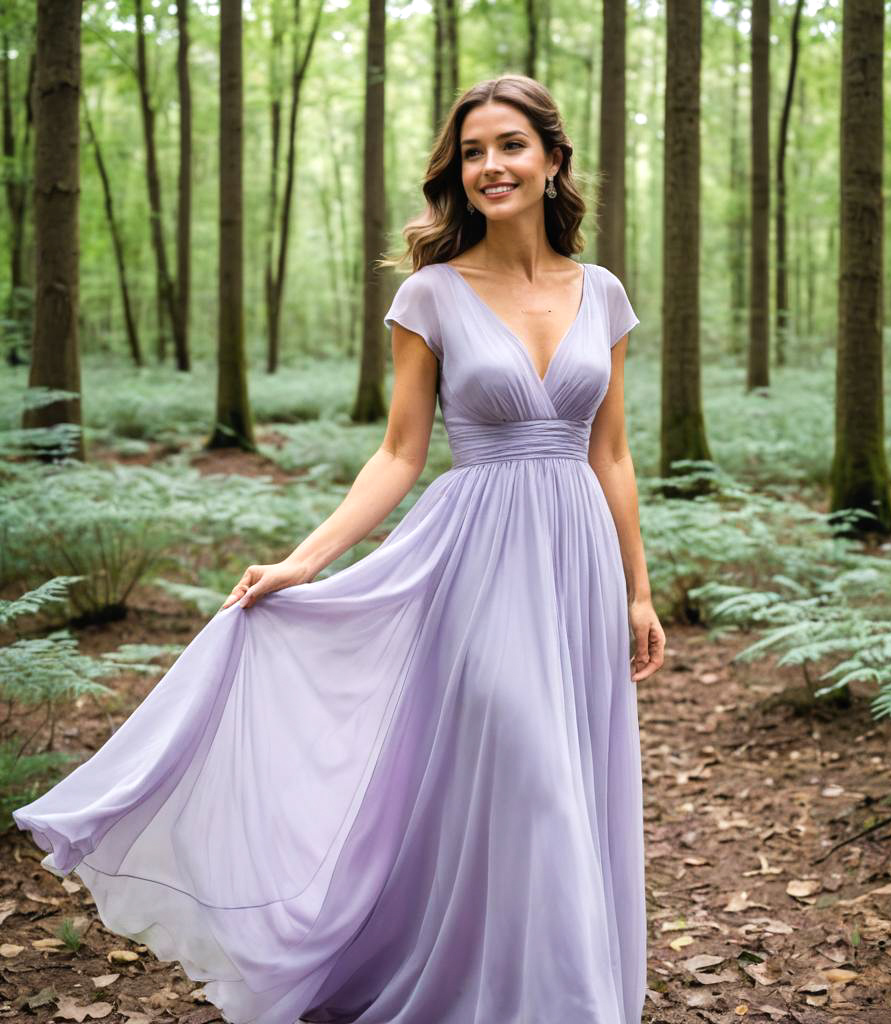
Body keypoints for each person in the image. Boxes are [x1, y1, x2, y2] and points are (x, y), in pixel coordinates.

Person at [13, 73, 665, 1024]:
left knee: (566, 769)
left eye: (512, 146)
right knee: (525, 764)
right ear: (457, 173)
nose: (492, 166)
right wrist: (304, 562)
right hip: (474, 561)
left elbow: (610, 452)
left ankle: (547, 986)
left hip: (577, 560)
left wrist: (638, 592)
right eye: (473, 151)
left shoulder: (600, 293)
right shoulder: (432, 296)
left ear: (554, 160)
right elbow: (400, 453)